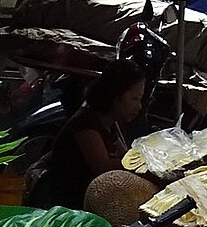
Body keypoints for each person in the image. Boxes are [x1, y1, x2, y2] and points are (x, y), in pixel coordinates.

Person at [30, 63, 147, 209]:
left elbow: (126, 156)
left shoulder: (109, 123)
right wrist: (140, 165)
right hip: (68, 206)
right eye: (135, 98)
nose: (139, 106)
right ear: (116, 95)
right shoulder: (86, 124)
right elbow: (103, 168)